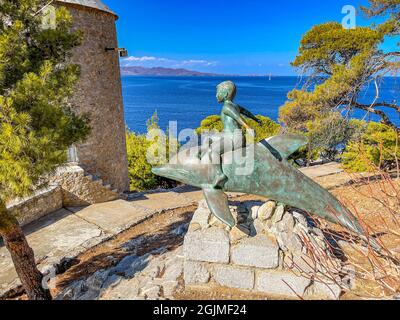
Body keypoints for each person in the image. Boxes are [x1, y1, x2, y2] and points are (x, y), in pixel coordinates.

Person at [202, 81, 261, 189]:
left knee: (212, 151)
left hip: (234, 138)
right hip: (228, 134)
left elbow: (238, 117)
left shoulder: (227, 108)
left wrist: (248, 127)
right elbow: (245, 112)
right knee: (207, 138)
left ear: (225, 94)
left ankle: (219, 175)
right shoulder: (235, 105)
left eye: (217, 93)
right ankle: (205, 164)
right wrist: (256, 119)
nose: (216, 95)